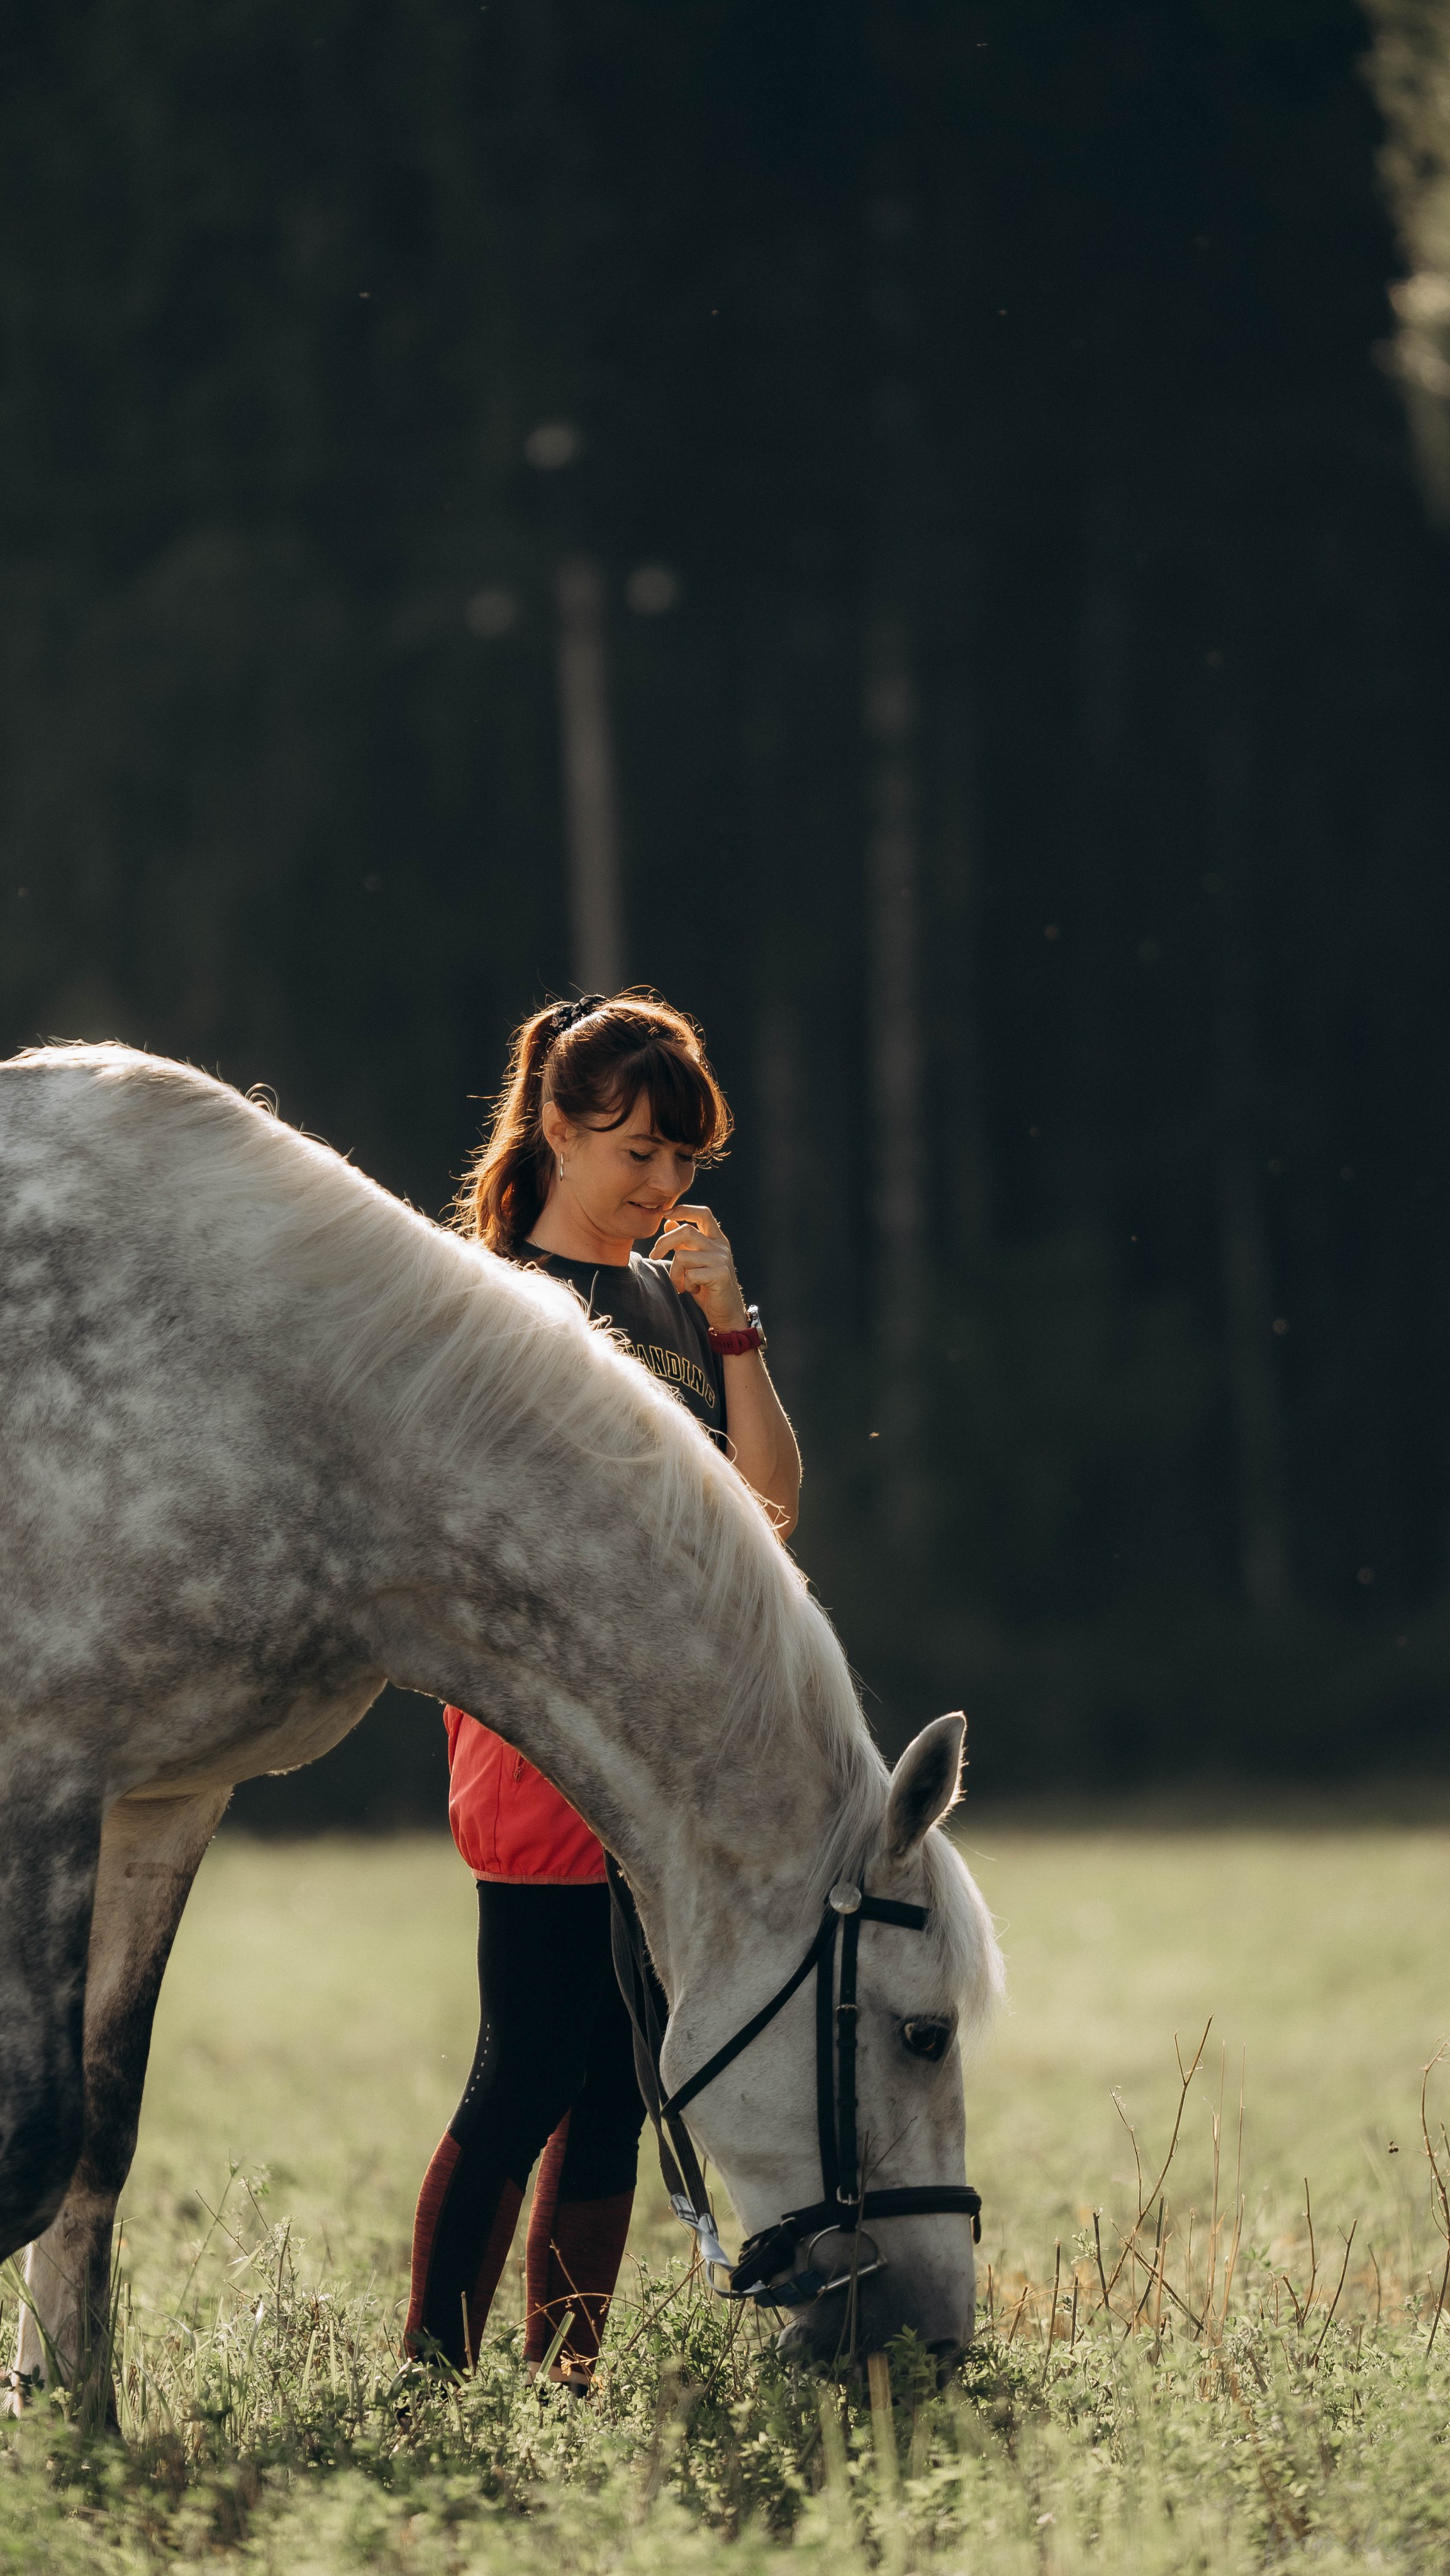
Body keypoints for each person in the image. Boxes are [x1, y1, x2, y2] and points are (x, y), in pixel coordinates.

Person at [404, 991, 801, 2388]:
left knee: (617, 2086)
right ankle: (433, 2380)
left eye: (683, 1162)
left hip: (660, 1745)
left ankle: (561, 2376)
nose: (660, 1184)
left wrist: (730, 1321)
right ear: (556, 1130)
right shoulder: (492, 1302)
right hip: (540, 1736)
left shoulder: (666, 1301)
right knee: (524, 2066)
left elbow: (767, 1504)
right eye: (635, 1149)